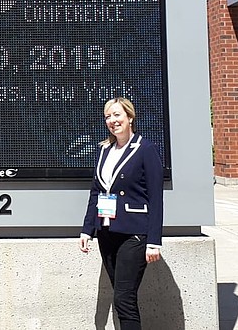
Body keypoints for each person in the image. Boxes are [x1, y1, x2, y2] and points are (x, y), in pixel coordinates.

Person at [79, 97, 164, 330]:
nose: (112, 121)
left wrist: (154, 241)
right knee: (122, 297)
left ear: (129, 117)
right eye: (107, 116)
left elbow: (156, 197)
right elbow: (96, 192)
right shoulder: (105, 149)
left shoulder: (145, 149)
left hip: (134, 233)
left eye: (117, 115)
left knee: (123, 299)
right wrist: (88, 230)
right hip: (107, 232)